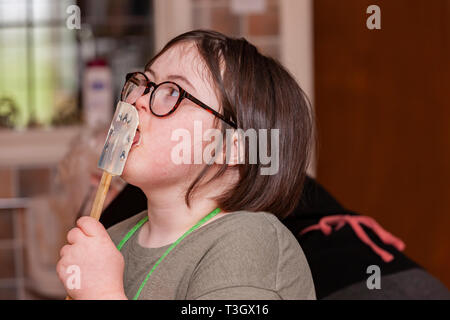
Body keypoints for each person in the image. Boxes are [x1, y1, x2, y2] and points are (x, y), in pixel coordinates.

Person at [56, 30, 316, 300]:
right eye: (144, 84)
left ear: (233, 147)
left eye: (173, 92)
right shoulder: (113, 240)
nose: (139, 101)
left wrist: (102, 292)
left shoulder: (251, 242)